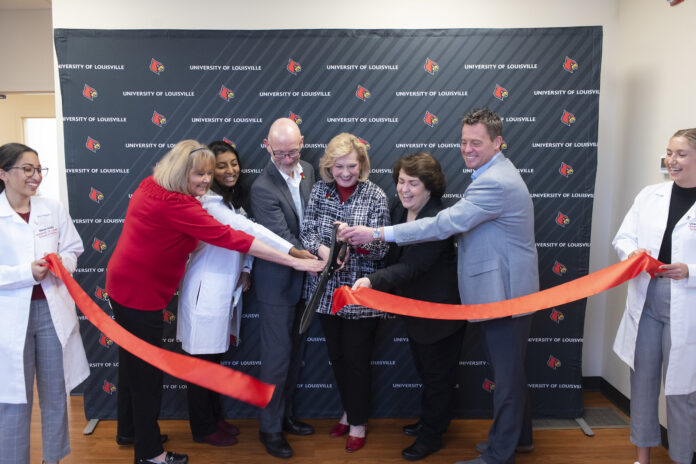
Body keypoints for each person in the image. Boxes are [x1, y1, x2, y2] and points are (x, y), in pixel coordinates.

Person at [105, 139, 324, 464]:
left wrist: (290, 252)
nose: (206, 181)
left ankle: (130, 431)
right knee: (146, 374)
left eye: (209, 174)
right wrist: (291, 258)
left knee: (132, 366)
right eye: (199, 175)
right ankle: (149, 453)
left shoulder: (151, 185)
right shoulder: (180, 206)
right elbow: (236, 236)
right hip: (140, 295)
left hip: (124, 285)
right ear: (181, 172)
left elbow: (238, 226)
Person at [341, 108, 539, 464]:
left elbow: (440, 225)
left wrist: (377, 233)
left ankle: (499, 455)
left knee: (507, 381)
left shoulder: (495, 181)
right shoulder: (490, 174)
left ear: (498, 142)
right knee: (509, 375)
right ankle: (518, 440)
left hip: (505, 296)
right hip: (500, 294)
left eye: (475, 142)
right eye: (463, 141)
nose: (467, 148)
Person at [176, 140, 301, 447]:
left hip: (224, 290)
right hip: (205, 290)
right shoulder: (208, 204)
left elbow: (243, 241)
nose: (230, 170)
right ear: (208, 171)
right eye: (221, 166)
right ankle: (203, 428)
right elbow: (250, 232)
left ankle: (214, 419)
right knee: (200, 364)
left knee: (213, 360)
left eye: (233, 163)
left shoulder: (229, 202)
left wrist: (246, 269)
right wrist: (294, 252)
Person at [351, 152, 465, 461]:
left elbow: (412, 267)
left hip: (440, 315)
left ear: (430, 187)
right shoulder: (400, 210)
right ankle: (430, 422)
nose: (404, 189)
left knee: (438, 379)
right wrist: (356, 249)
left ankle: (431, 437)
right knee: (427, 374)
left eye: (413, 183)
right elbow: (389, 255)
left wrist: (373, 281)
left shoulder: (438, 219)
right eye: (401, 181)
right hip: (415, 313)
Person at [300, 132, 390, 453]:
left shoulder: (376, 195)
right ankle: (349, 410)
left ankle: (358, 422)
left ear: (362, 164)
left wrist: (359, 243)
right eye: (339, 166)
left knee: (356, 360)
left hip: (360, 295)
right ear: (329, 166)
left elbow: (382, 249)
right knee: (337, 358)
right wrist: (325, 250)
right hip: (325, 292)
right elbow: (306, 233)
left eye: (351, 165)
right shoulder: (319, 192)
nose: (346, 173)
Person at [0, 143, 89, 464]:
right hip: (10, 319)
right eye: (27, 169)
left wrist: (58, 262)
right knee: (13, 399)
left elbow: (74, 248)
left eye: (38, 169)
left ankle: (52, 459)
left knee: (55, 396)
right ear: (3, 173)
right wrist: (28, 273)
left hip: (52, 313)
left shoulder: (52, 207)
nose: (35, 176)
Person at [613, 128, 696, 464]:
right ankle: (642, 458)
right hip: (647, 298)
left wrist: (690, 270)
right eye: (669, 153)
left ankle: (681, 458)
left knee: (681, 391)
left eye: (680, 154)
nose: (671, 161)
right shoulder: (650, 195)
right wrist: (634, 254)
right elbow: (623, 238)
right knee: (643, 383)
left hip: (686, 303)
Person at [249, 118, 318, 459]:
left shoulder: (308, 169)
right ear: (267, 146)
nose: (288, 159)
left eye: (293, 151)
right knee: (276, 361)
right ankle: (270, 429)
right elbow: (282, 240)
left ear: (302, 143)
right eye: (280, 153)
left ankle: (286, 415)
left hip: (307, 281)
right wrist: (319, 256)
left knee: (295, 357)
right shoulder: (262, 187)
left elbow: (314, 219)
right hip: (278, 283)